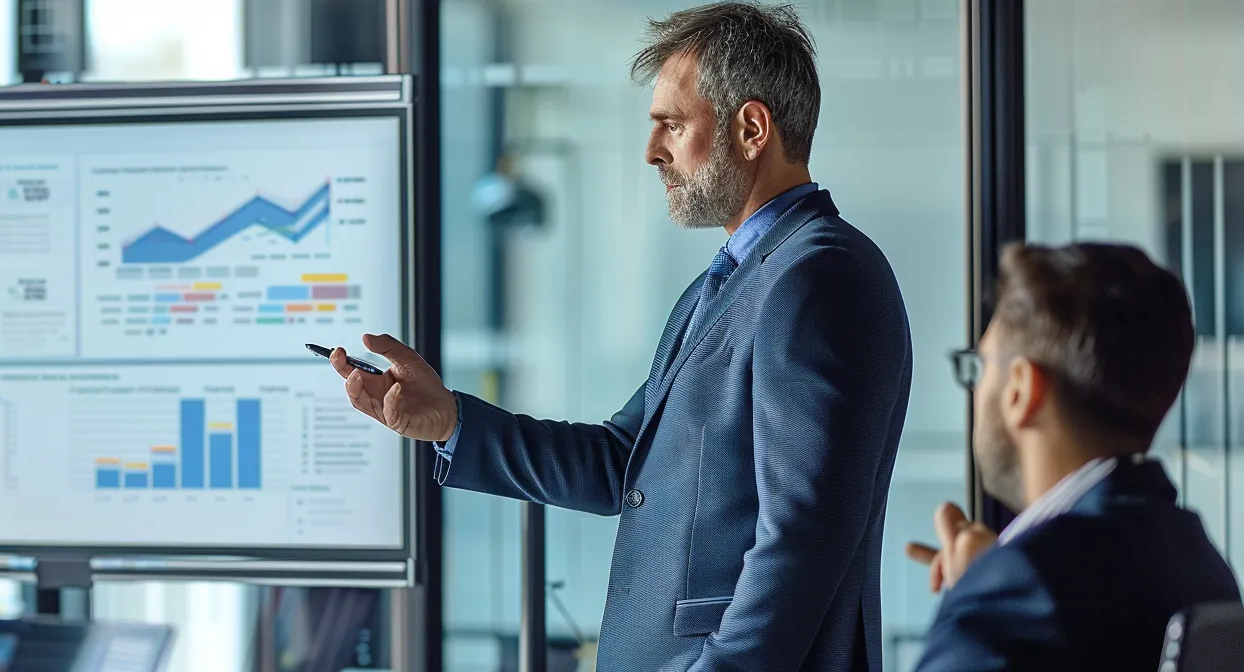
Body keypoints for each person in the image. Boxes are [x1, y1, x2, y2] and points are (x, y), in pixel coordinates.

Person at [332, 3, 912, 670]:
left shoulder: (817, 279)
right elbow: (623, 462)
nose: (651, 151)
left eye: (672, 124)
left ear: (751, 128)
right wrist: (450, 421)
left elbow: (804, 537)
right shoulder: (727, 284)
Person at [906, 243, 1241, 671]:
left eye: (980, 367)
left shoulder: (1019, 591)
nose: (975, 391)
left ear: (1020, 390)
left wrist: (979, 592)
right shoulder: (1200, 561)